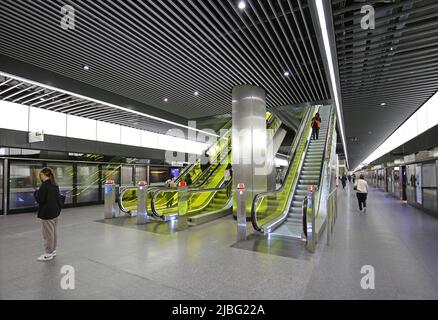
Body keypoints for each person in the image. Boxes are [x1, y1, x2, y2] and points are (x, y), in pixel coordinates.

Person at [34, 168, 63, 262]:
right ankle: (53, 250)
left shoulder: (44, 186)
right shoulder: (54, 185)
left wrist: (36, 192)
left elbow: (40, 200)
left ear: (43, 175)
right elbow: (58, 199)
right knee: (53, 232)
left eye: (40, 175)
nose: (40, 177)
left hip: (47, 213)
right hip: (55, 212)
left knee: (48, 234)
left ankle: (48, 253)